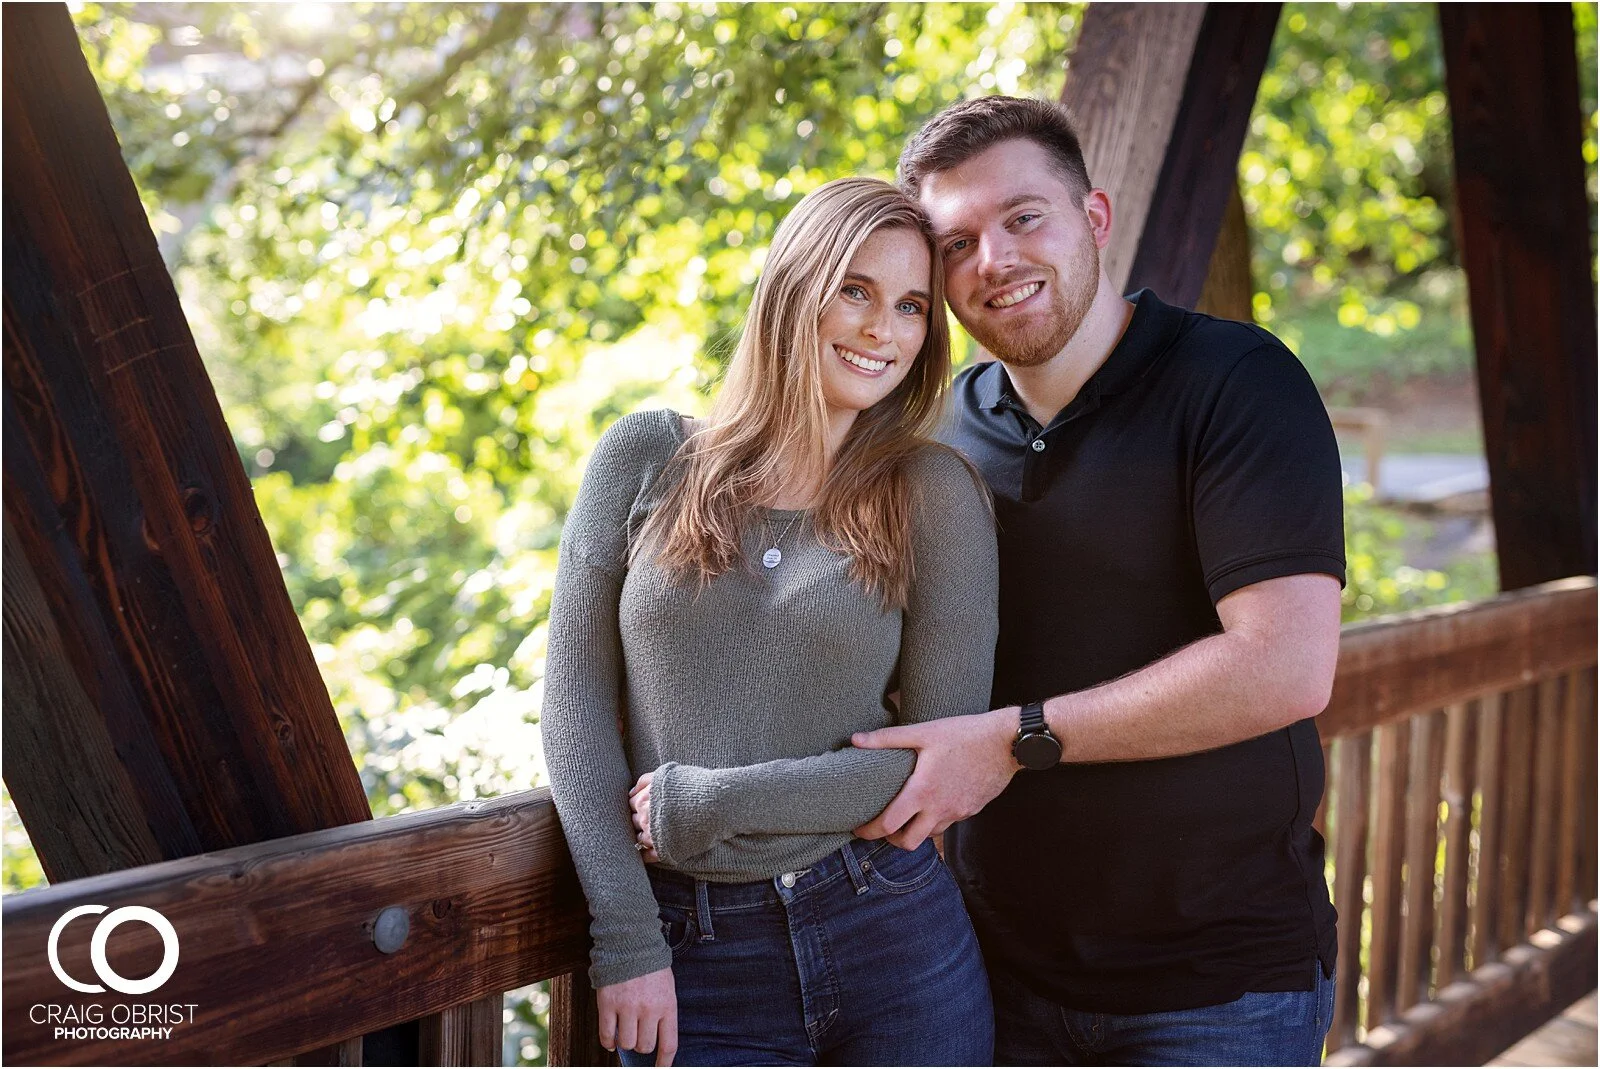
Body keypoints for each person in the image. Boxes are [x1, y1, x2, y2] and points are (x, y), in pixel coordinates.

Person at [849, 96, 1346, 1066]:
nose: (992, 260)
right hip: (997, 975)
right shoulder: (936, 437)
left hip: (1218, 990)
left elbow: (1287, 664)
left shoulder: (1234, 382)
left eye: (1022, 217)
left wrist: (1015, 738)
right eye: (956, 244)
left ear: (1094, 217)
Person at [540, 176, 999, 1067]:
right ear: (793, 288)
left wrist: (712, 801)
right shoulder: (644, 455)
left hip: (891, 932)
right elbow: (573, 709)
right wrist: (627, 938)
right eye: (856, 290)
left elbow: (938, 756)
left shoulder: (933, 493)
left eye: (911, 307)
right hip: (692, 952)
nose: (882, 329)